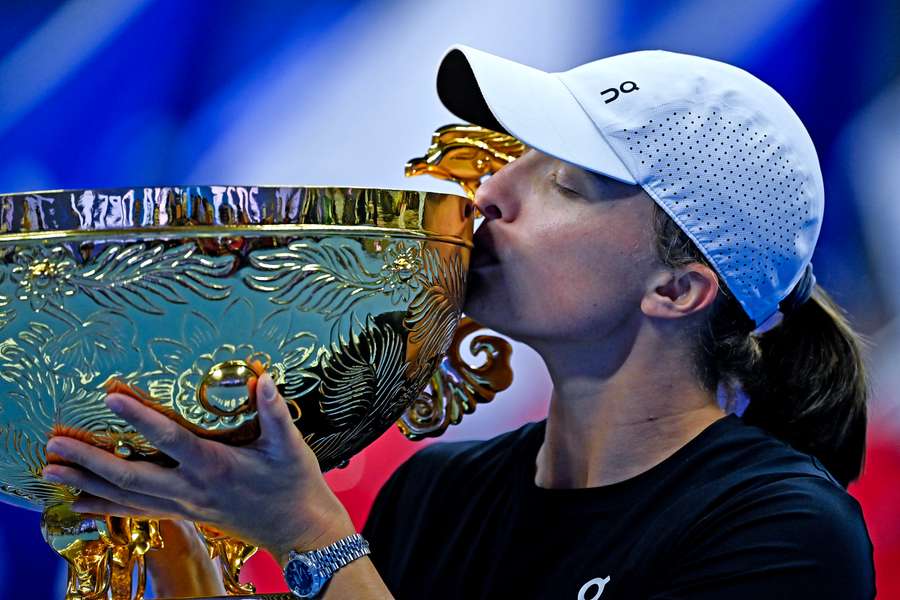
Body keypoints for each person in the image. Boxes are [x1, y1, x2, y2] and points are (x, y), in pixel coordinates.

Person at [40, 46, 875, 599]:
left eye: (568, 184)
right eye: (516, 159)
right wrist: (178, 543)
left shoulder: (785, 533)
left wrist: (307, 533)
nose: (488, 195)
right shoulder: (439, 491)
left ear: (678, 290)